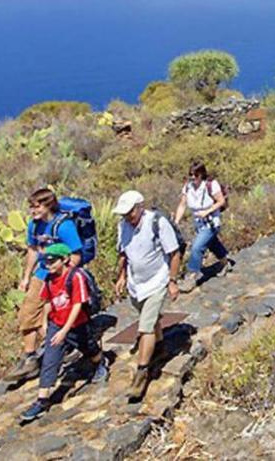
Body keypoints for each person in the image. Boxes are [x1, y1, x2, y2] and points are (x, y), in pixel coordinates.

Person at [18, 243, 108, 424]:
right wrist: (45, 323)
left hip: (78, 325)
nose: (49, 266)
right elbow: (47, 301)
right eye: (46, 262)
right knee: (50, 360)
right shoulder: (50, 280)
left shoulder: (74, 278)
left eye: (52, 261)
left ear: (64, 260)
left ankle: (100, 363)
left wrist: (66, 329)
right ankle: (42, 400)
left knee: (90, 349)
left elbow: (77, 305)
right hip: (57, 325)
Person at [112, 189, 182, 402]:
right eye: (124, 214)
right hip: (136, 284)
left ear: (140, 207)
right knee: (149, 319)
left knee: (145, 327)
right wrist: (122, 276)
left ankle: (142, 373)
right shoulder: (122, 226)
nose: (127, 218)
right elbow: (124, 253)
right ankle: (159, 348)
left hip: (157, 280)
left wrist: (171, 281)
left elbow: (174, 253)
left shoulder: (157, 223)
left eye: (130, 213)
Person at [9, 187, 83, 383]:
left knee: (58, 314)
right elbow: (33, 250)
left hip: (61, 275)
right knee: (28, 312)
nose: (33, 211)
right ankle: (30, 357)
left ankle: (66, 347)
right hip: (41, 273)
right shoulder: (34, 226)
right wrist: (26, 277)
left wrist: (65, 276)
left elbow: (76, 253)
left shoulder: (64, 226)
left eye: (37, 207)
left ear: (48, 205)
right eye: (31, 207)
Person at [173, 162, 233, 291]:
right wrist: (176, 221)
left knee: (197, 247)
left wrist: (207, 211)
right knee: (212, 244)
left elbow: (220, 201)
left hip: (211, 223)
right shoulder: (188, 187)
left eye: (194, 176)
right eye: (190, 176)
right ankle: (225, 263)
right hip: (199, 224)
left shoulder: (211, 185)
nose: (192, 179)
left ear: (201, 175)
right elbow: (182, 205)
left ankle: (192, 276)